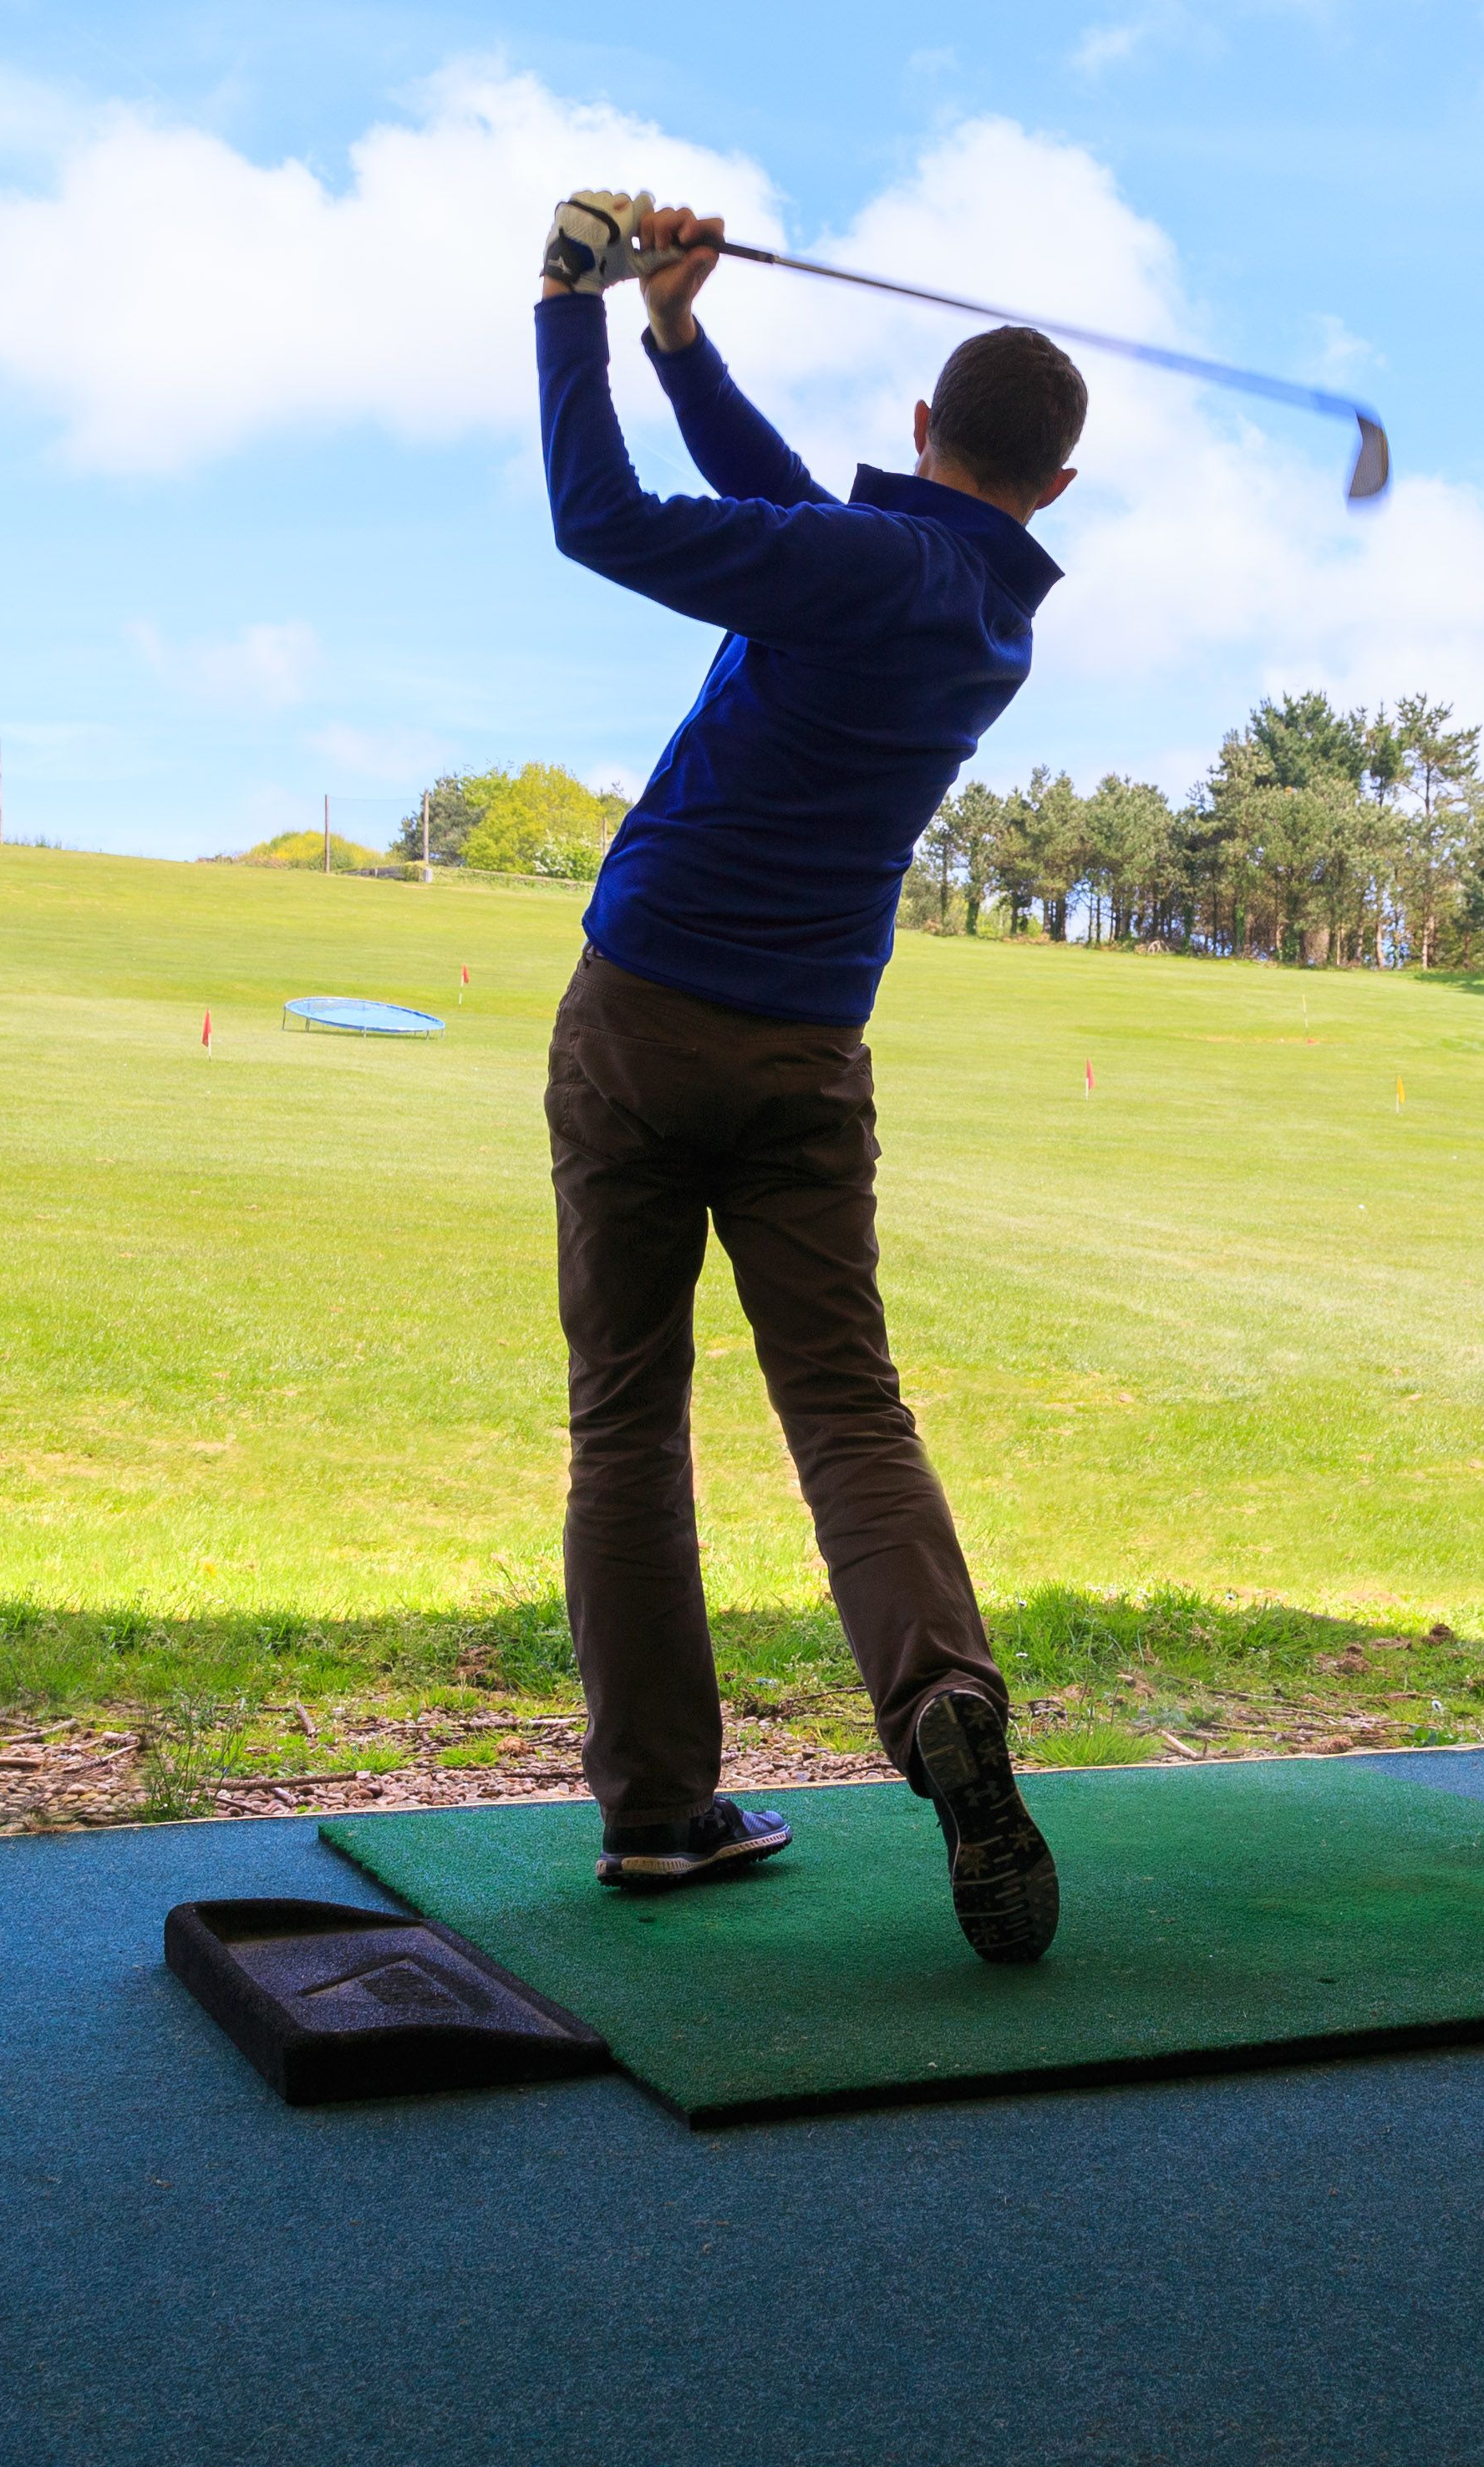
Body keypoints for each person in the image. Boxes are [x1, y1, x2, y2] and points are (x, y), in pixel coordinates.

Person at [535, 186, 1085, 1966]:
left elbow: (596, 518)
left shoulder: (865, 569)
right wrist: (678, 334)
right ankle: (941, 1705)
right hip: (805, 1057)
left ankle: (658, 1813)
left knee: (630, 1410)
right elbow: (793, 520)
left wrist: (567, 298)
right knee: (848, 1409)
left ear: (922, 432)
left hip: (638, 1024)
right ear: (1053, 490)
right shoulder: (984, 611)